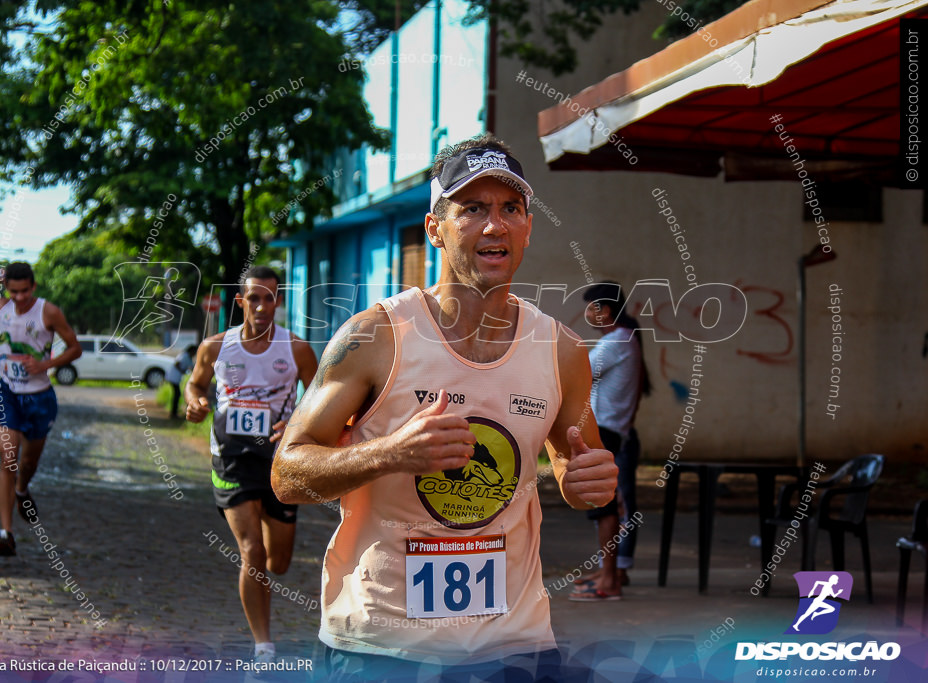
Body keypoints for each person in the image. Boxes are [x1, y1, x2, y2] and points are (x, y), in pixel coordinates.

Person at [272, 134, 618, 681]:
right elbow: (288, 474)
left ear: (527, 226)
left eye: (510, 209)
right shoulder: (374, 336)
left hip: (515, 647)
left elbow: (578, 468)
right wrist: (390, 453)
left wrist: (585, 482)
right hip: (380, 650)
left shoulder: (562, 350)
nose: (494, 225)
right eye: (472, 209)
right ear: (435, 228)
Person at [184, 265, 317, 664]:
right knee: (252, 552)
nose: (262, 306)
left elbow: (320, 399)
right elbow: (195, 382)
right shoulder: (215, 347)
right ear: (240, 301)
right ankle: (264, 645)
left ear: (279, 301)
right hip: (231, 459)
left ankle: (265, 518)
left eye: (270, 298)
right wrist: (195, 400)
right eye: (254, 298)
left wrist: (296, 422)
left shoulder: (296, 349)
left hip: (279, 461)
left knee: (278, 563)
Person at [0, 262, 82, 556]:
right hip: (6, 392)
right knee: (8, 458)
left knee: (28, 463)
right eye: (13, 291)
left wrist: (45, 364)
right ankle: (6, 533)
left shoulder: (48, 311)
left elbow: (75, 347)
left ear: (33, 287)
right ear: (6, 288)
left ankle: (22, 490)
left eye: (24, 291)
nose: (19, 298)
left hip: (39, 398)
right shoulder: (1, 305)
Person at [569, 281, 651, 601]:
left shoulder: (616, 342)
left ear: (604, 310)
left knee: (605, 507)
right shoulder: (626, 340)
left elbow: (576, 375)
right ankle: (613, 571)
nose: (587, 314)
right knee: (611, 506)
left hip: (604, 434)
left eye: (591, 308)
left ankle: (610, 581)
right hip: (613, 433)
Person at [166, 344, 197, 419]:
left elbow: (192, 368)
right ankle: (173, 413)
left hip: (176, 378)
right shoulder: (184, 355)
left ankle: (174, 412)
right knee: (177, 394)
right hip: (173, 377)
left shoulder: (188, 358)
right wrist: (182, 371)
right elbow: (177, 364)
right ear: (191, 351)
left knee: (177, 394)